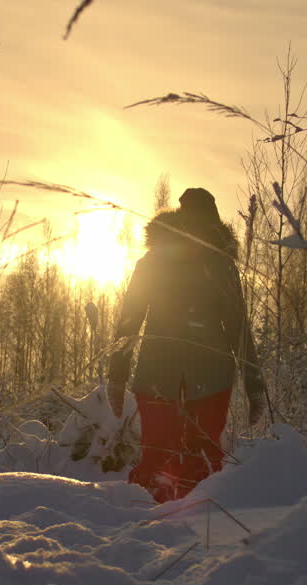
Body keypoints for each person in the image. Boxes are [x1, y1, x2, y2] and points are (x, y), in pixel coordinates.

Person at [107, 187, 265, 503]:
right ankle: (154, 523)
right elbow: (130, 321)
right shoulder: (164, 263)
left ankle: (184, 526)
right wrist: (116, 375)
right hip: (172, 374)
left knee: (189, 455)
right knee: (178, 456)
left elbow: (238, 327)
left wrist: (254, 384)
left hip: (192, 376)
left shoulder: (217, 265)